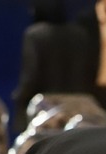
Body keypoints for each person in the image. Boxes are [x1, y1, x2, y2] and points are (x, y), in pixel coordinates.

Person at [11, 0, 90, 133]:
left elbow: (31, 76)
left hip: (44, 110)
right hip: (78, 109)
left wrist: (19, 97)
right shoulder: (81, 34)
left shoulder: (34, 35)